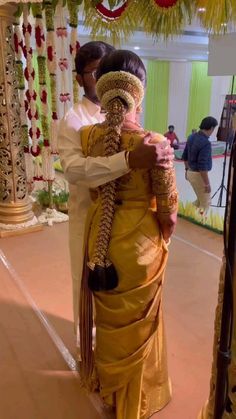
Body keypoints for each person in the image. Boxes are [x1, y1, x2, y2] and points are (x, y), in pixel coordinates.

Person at [79, 50, 178, 419]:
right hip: (140, 244)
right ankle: (136, 403)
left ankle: (112, 394)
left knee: (108, 325)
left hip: (102, 241)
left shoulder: (88, 137)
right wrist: (164, 233)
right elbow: (168, 210)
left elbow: (92, 188)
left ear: (102, 91)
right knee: (139, 328)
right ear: (141, 93)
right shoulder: (154, 143)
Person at [58, 42, 174, 348]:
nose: (102, 76)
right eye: (95, 71)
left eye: (107, 69)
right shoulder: (75, 122)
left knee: (119, 304)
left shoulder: (132, 128)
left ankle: (111, 362)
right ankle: (90, 352)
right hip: (90, 218)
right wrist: (129, 160)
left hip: (123, 229)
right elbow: (73, 170)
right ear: (80, 77)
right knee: (86, 288)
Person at [182, 116, 218, 213]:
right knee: (206, 202)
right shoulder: (206, 143)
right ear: (211, 128)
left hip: (190, 173)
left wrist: (186, 170)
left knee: (199, 200)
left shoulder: (191, 137)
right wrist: (207, 184)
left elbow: (184, 156)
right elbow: (202, 166)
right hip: (198, 175)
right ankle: (200, 224)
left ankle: (187, 214)